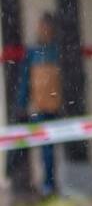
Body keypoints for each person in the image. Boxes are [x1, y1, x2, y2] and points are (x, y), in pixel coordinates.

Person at [15, 12, 62, 196]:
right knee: (44, 149)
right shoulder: (32, 53)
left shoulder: (57, 51)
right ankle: (46, 184)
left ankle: (52, 183)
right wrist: (21, 103)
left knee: (53, 147)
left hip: (55, 105)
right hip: (40, 106)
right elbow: (26, 80)